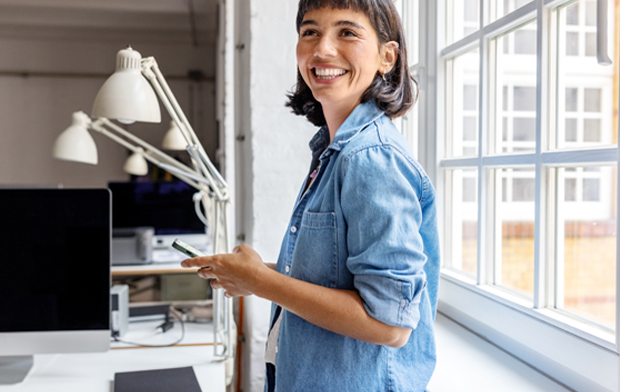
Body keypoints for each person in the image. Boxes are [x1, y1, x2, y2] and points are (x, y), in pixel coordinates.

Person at [181, 0, 440, 390]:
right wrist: (254, 276)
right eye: (310, 31)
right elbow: (337, 280)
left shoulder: (372, 159)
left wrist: (262, 283)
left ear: (387, 57)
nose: (322, 49)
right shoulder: (335, 152)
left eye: (347, 32)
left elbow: (390, 324)